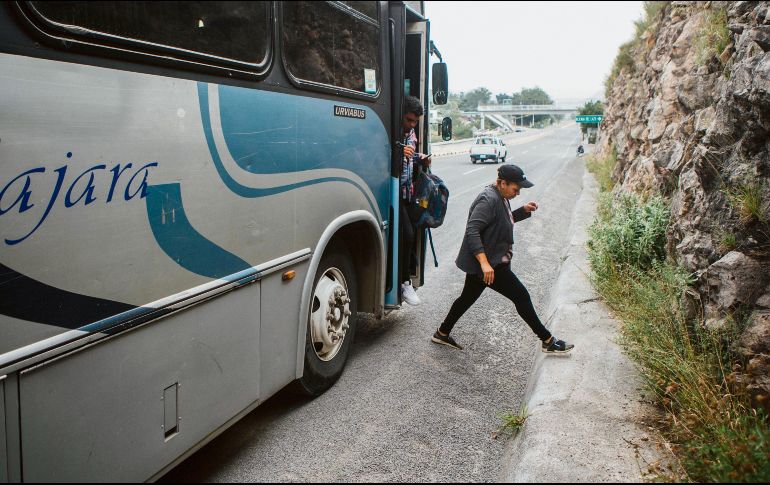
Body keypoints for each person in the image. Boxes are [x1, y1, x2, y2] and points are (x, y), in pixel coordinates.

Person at [430, 164, 574, 353]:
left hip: (488, 262)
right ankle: (548, 340)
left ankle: (442, 332)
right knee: (521, 296)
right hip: (491, 264)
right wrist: (484, 264)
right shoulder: (488, 199)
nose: (518, 193)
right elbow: (473, 230)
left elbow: (500, 221)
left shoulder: (501, 197)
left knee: (466, 298)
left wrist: (523, 210)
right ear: (503, 183)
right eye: (516, 189)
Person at [399, 96, 432, 305]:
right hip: (393, 193)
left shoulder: (411, 134)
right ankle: (404, 282)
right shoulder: (390, 130)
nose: (411, 125)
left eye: (415, 122)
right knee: (407, 235)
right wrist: (398, 151)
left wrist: (421, 158)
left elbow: (410, 157)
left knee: (413, 235)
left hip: (408, 193)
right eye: (409, 120)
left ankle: (406, 277)